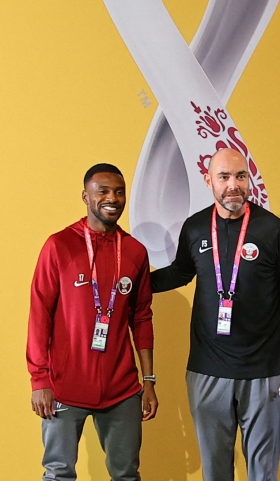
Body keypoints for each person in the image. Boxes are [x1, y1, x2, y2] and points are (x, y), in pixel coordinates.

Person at [151, 148, 280, 481]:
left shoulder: (273, 230)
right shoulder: (195, 228)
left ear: (248, 179)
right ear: (208, 180)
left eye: (240, 176)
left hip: (265, 374)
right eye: (224, 177)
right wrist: (130, 282)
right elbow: (179, 273)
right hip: (207, 372)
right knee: (215, 475)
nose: (233, 185)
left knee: (263, 475)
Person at [27, 163, 158, 481]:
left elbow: (141, 318)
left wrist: (149, 381)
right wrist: (39, 380)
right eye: (103, 191)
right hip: (64, 387)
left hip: (121, 389)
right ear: (86, 196)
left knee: (126, 474)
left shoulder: (134, 252)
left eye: (119, 191)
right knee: (59, 473)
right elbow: (39, 313)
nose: (112, 198)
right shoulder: (59, 245)